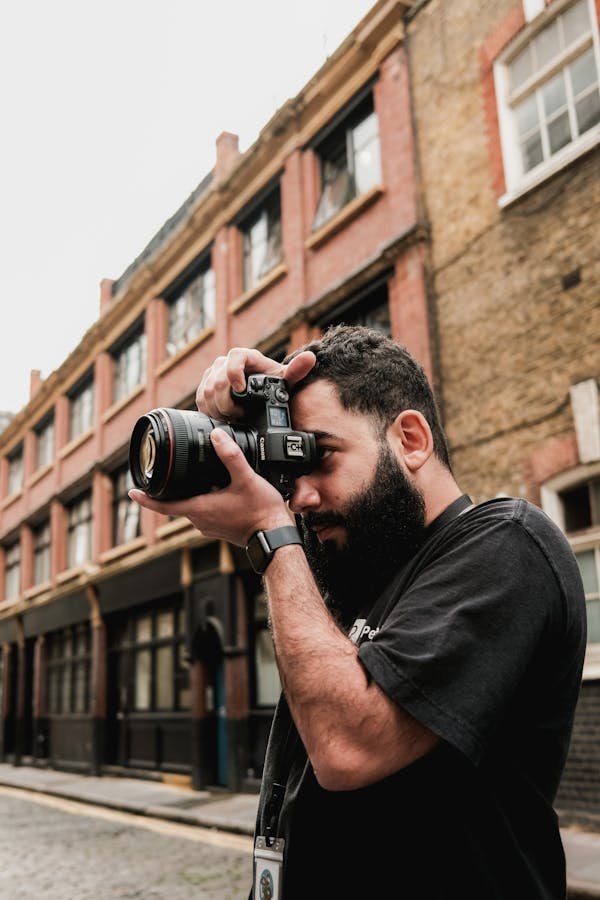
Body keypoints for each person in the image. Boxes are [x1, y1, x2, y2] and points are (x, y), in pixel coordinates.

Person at [130, 325, 586, 899]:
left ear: (411, 440)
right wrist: (253, 420)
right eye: (291, 472)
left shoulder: (508, 545)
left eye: (320, 454)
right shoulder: (359, 574)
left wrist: (268, 536)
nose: (301, 497)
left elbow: (348, 749)